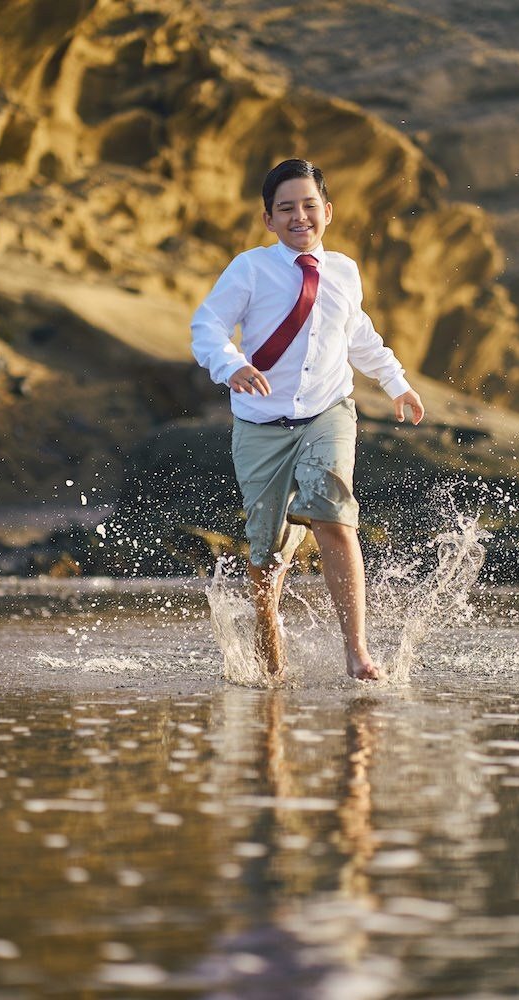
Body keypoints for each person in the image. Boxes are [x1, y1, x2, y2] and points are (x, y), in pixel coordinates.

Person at [191, 158, 424, 681]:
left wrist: (397, 383)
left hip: (328, 412)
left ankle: (357, 651)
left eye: (309, 205)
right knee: (265, 561)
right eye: (286, 208)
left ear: (328, 212)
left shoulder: (343, 270)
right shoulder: (249, 268)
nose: (300, 216)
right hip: (260, 426)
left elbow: (358, 335)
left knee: (335, 518)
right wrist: (232, 366)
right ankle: (270, 661)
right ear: (269, 219)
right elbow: (206, 326)